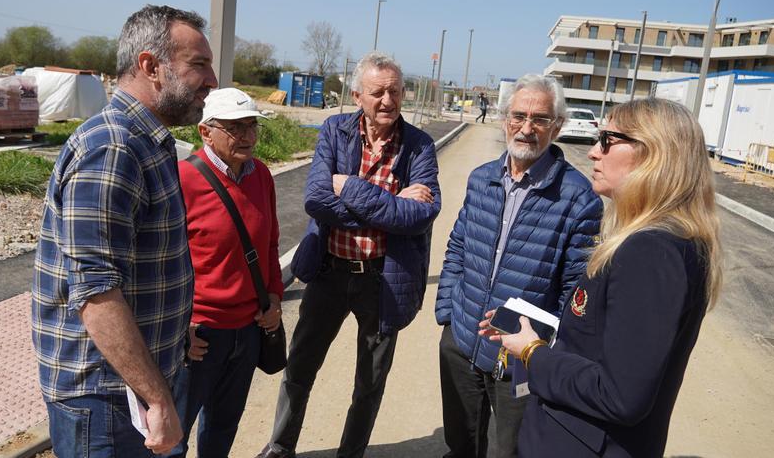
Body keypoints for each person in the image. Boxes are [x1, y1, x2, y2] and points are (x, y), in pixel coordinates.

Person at [482, 98, 723, 457]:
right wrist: (539, 331)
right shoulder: (663, 240)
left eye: (608, 140)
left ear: (653, 154)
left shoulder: (651, 252)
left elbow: (621, 394)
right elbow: (605, 340)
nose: (594, 152)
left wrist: (533, 353)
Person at [31, 5, 217, 457]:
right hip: (108, 400)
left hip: (136, 383)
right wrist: (156, 396)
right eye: (199, 64)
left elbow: (143, 265)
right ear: (151, 66)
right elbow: (96, 291)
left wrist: (174, 336)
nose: (212, 79)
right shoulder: (112, 147)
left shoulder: (147, 141)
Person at [256, 52, 442, 458]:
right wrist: (389, 207)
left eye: (395, 91)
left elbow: (423, 214)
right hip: (329, 272)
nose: (388, 100)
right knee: (300, 368)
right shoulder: (334, 130)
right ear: (357, 94)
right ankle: (280, 447)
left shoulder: (419, 145)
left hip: (383, 280)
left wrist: (353, 191)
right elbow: (317, 201)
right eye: (377, 92)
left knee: (370, 381)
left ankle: (351, 453)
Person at [435, 74, 603, 458]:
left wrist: (542, 349)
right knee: (460, 443)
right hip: (461, 342)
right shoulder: (482, 180)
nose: (527, 128)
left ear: (556, 126)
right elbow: (457, 248)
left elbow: (576, 291)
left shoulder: (579, 199)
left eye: (540, 119)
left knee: (509, 451)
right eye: (519, 116)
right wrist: (448, 315)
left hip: (518, 359)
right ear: (503, 118)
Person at [167, 88, 283, 458]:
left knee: (222, 428)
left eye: (252, 126)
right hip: (199, 336)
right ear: (206, 132)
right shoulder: (183, 179)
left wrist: (275, 298)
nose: (248, 136)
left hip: (249, 331)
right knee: (174, 436)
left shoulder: (261, 175)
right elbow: (164, 261)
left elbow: (269, 245)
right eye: (235, 128)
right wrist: (178, 327)